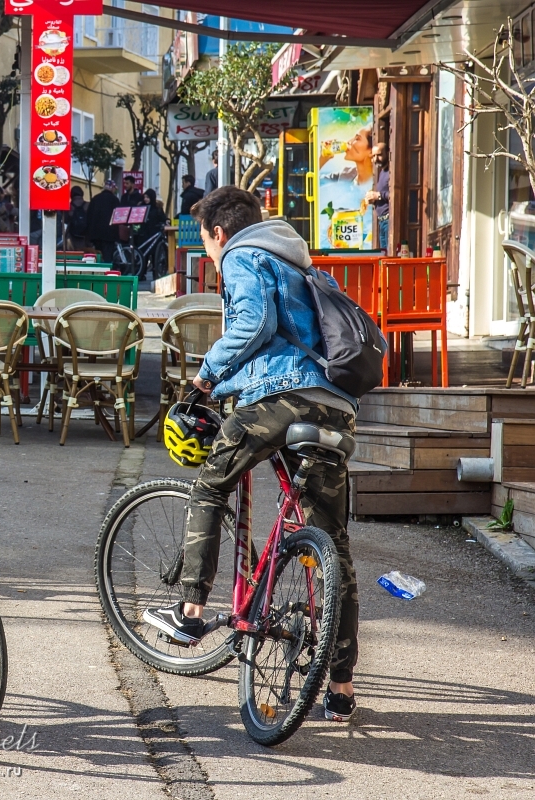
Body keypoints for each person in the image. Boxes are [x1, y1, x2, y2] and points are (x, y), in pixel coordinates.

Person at [143, 186, 361, 724]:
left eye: (206, 245)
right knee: (331, 542)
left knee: (210, 483)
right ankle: (341, 689)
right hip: (334, 405)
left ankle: (191, 611)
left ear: (219, 233)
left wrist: (205, 376)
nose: (210, 255)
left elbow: (254, 324)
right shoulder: (299, 260)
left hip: (279, 395)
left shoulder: (244, 254)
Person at [131, 188, 168, 280]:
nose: (146, 199)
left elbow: (163, 218)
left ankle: (156, 273)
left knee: (155, 254)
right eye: (145, 197)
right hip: (143, 233)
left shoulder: (157, 207)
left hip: (154, 233)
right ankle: (141, 273)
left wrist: (166, 221)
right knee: (143, 254)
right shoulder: (141, 206)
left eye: (147, 197)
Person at [86, 179, 121, 265]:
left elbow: (89, 215)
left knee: (98, 254)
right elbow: (118, 216)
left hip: (96, 234)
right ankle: (107, 273)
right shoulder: (114, 200)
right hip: (109, 234)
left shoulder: (95, 199)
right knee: (108, 256)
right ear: (112, 188)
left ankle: (98, 272)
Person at [365, 142, 389, 253]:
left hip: (389, 220)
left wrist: (378, 195)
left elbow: (393, 195)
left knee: (389, 254)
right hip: (381, 221)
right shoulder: (382, 172)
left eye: (379, 155)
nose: (375, 159)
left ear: (388, 153)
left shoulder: (391, 172)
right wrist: (373, 199)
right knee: (384, 254)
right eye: (373, 156)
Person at [64, 185, 89, 250]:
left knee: (73, 253)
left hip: (72, 235)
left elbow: (65, 220)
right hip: (85, 235)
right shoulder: (88, 205)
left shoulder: (69, 206)